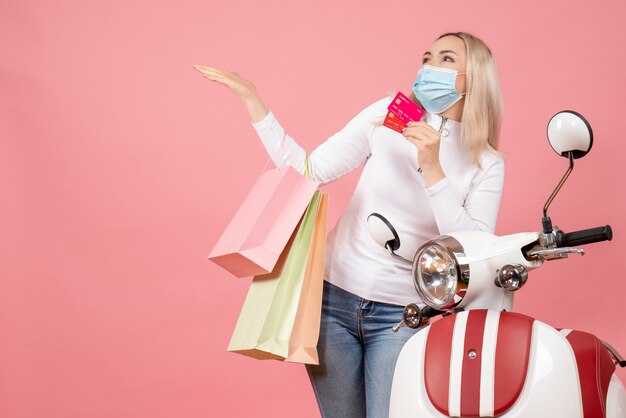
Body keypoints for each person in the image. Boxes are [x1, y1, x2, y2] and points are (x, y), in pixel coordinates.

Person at [195, 31, 504, 418]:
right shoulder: (390, 118)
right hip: (331, 304)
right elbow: (310, 170)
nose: (428, 67)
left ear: (474, 78)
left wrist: (433, 168)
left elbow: (474, 249)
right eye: (426, 58)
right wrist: (253, 100)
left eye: (445, 60)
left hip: (404, 317)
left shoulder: (486, 163)